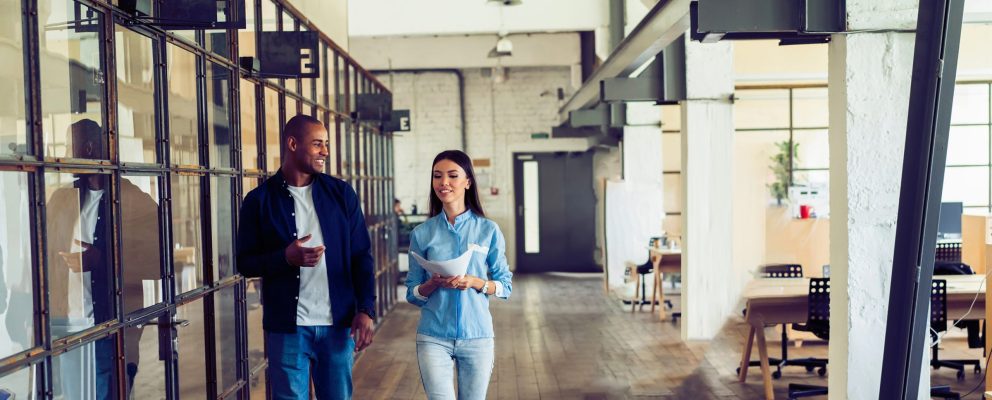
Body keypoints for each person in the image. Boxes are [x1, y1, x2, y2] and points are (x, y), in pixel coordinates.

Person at [237, 114, 376, 400]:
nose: (325, 151)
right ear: (292, 144)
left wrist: (366, 309)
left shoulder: (341, 194)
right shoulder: (258, 201)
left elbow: (362, 256)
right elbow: (245, 262)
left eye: (326, 144)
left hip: (338, 326)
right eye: (317, 144)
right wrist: (285, 258)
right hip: (287, 328)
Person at [45, 119, 160, 399]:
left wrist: (103, 260)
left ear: (87, 148)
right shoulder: (61, 200)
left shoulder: (133, 200)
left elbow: (159, 263)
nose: (66, 155)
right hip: (66, 326)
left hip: (108, 326)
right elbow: (43, 259)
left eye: (70, 147)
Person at [405, 150, 513, 400]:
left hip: (478, 336)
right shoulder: (422, 233)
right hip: (433, 336)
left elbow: (505, 286)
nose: (444, 183)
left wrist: (476, 282)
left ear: (468, 181)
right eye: (437, 176)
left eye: (453, 176)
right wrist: (431, 284)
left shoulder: (489, 230)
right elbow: (412, 293)